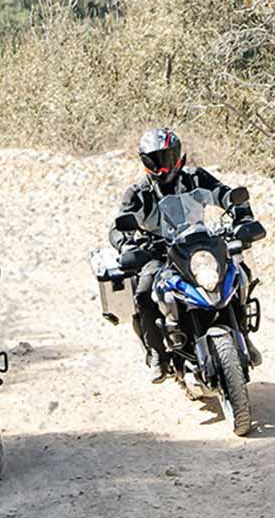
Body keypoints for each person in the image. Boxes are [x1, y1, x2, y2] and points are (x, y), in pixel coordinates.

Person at [109, 127, 262, 382]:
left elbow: (225, 195)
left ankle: (243, 335)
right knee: (144, 292)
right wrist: (127, 245)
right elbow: (118, 226)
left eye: (167, 157)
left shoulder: (196, 178)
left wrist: (242, 216)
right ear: (146, 161)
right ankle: (159, 353)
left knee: (238, 273)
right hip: (159, 251)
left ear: (178, 155)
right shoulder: (139, 193)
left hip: (198, 243)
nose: (163, 165)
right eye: (156, 159)